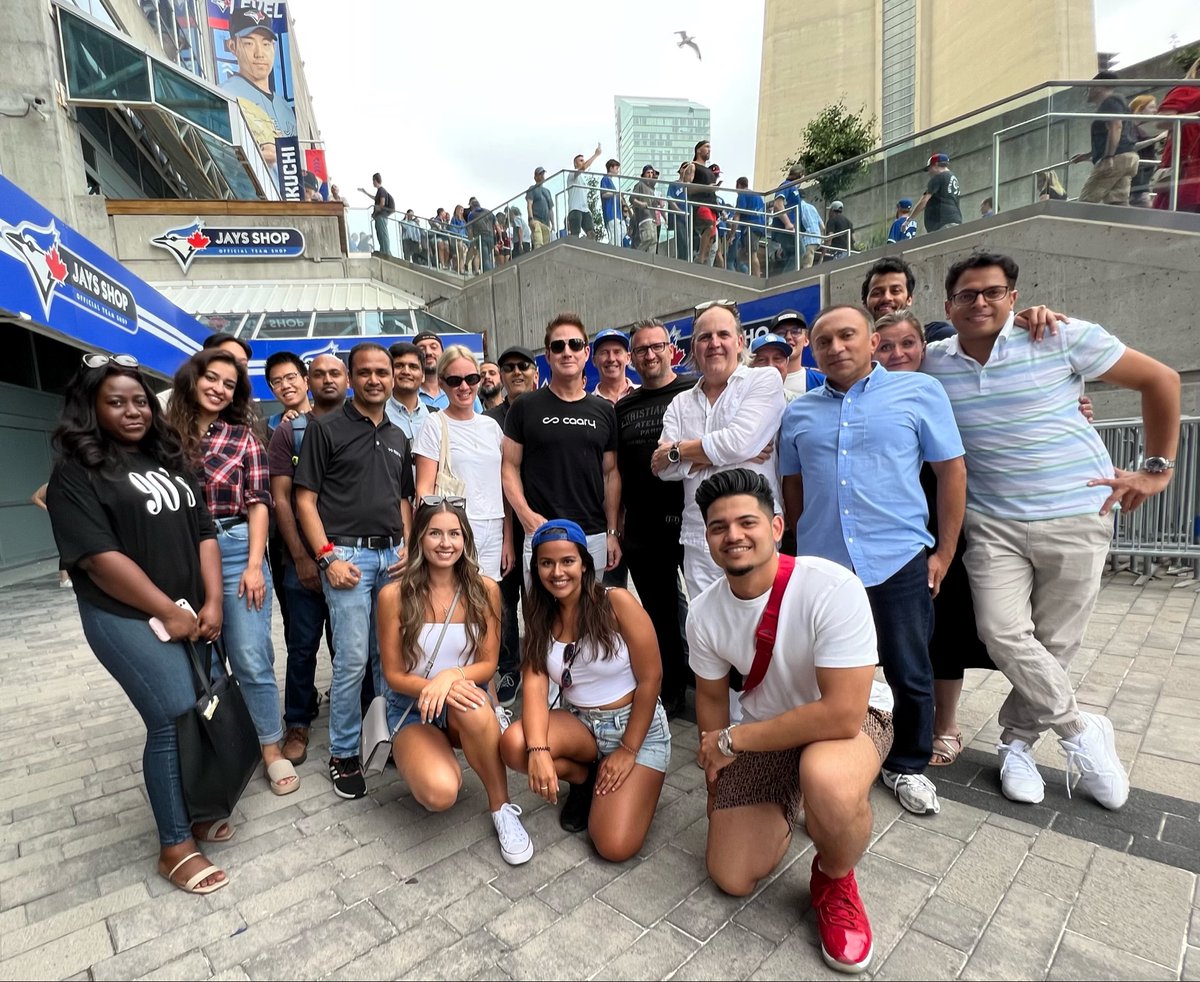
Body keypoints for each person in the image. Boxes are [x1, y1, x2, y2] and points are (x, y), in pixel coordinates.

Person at [924, 252, 1180, 809]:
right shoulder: (933, 361)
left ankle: (1016, 743)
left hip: (1075, 515)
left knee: (1056, 643)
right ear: (949, 305)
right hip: (993, 522)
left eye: (993, 292)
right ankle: (1080, 729)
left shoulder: (1058, 336)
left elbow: (1159, 379)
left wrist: (1157, 469)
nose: (980, 303)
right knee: (1001, 632)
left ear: (1013, 298)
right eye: (967, 295)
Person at [688, 469, 891, 974]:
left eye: (747, 522)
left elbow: (842, 713)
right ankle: (794, 799)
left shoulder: (830, 586)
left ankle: (835, 877)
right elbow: (711, 699)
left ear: (777, 527)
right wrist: (715, 775)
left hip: (851, 722)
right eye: (718, 527)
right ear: (707, 539)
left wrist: (734, 740)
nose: (733, 535)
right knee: (731, 875)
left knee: (826, 777)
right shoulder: (704, 612)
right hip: (768, 731)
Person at [46, 353, 232, 895]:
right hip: (123, 615)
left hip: (191, 611)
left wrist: (213, 601)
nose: (133, 411)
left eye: (140, 402)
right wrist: (167, 611)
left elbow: (204, 531)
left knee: (201, 708)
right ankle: (174, 846)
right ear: (90, 408)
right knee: (171, 715)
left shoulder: (168, 459)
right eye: (116, 402)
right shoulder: (75, 474)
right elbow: (98, 558)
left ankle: (199, 807)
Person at [780, 304, 967, 817]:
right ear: (813, 351)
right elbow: (792, 486)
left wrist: (944, 551)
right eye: (824, 341)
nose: (836, 347)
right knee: (818, 669)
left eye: (847, 336)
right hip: (823, 565)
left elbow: (951, 472)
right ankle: (818, 761)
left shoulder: (919, 392)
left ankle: (906, 763)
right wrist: (801, 541)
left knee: (909, 668)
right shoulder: (798, 412)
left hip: (897, 557)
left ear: (872, 342)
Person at [500, 519, 670, 859]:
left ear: (584, 564)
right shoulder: (539, 616)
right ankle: (584, 777)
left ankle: (622, 781)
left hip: (635, 728)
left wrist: (627, 751)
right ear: (536, 568)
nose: (557, 572)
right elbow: (535, 691)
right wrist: (539, 751)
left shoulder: (615, 602)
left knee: (613, 846)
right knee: (515, 745)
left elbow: (652, 678)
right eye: (546, 563)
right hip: (581, 724)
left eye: (567, 561)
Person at [168, 349, 296, 796]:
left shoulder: (243, 438)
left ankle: (270, 747)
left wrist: (255, 565)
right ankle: (220, 747)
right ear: (192, 379)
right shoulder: (162, 438)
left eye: (229, 384)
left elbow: (259, 503)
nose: (219, 389)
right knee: (202, 660)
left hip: (236, 546)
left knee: (249, 655)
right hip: (181, 553)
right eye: (212, 378)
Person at [377, 498, 532, 864]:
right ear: (419, 538)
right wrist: (433, 689)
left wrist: (449, 677)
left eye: (454, 534)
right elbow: (393, 675)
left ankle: (502, 807)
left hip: (464, 698)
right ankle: (432, 753)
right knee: (441, 793)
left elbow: (489, 664)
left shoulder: (485, 589)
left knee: (476, 706)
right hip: (413, 708)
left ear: (466, 539)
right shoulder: (393, 595)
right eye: (435, 533)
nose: (445, 543)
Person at [873, 313, 995, 766]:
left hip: (942, 513)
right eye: (886, 346)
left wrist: (945, 549)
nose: (897, 353)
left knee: (943, 630)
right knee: (896, 638)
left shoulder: (939, 370)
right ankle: (893, 722)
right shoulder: (862, 389)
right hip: (892, 521)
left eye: (908, 343)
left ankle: (943, 726)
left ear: (924, 345)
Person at [294, 342, 415, 800]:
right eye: (365, 372)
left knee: (390, 656)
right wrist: (327, 557)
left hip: (392, 559)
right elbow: (304, 500)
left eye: (383, 372)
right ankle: (343, 752)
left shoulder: (399, 435)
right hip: (348, 558)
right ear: (351, 377)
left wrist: (407, 544)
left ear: (393, 377)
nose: (375, 379)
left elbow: (403, 498)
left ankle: (387, 735)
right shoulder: (325, 429)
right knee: (352, 659)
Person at [653, 299, 785, 600]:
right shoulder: (680, 403)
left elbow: (739, 441)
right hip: (699, 536)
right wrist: (733, 452)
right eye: (705, 337)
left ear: (739, 342)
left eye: (723, 334)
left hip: (754, 530)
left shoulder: (763, 380)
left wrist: (679, 450)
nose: (714, 343)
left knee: (761, 619)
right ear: (694, 348)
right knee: (707, 622)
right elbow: (663, 469)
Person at [268, 354, 348, 766]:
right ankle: (297, 722)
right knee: (302, 647)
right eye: (320, 374)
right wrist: (300, 556)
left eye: (335, 373)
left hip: (350, 559)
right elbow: (282, 499)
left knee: (349, 647)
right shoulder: (290, 432)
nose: (327, 380)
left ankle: (356, 717)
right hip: (303, 561)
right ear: (309, 381)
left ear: (346, 379)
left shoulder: (361, 425)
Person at [502, 313, 621, 584]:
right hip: (542, 531)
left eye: (575, 344)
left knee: (590, 611)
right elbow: (509, 467)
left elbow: (611, 474)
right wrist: (526, 516)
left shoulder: (604, 410)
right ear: (547, 355)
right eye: (558, 346)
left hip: (592, 534)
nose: (567, 352)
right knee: (540, 611)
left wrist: (612, 532)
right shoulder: (524, 407)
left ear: (586, 353)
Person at [616, 321, 697, 718]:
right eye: (641, 350)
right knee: (660, 615)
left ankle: (713, 682)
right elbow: (615, 471)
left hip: (695, 522)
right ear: (631, 358)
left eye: (656, 346)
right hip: (644, 527)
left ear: (670, 349)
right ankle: (673, 688)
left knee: (708, 607)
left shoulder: (693, 390)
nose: (649, 355)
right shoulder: (623, 407)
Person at [413, 347, 508, 582]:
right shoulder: (434, 424)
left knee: (488, 594)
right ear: (442, 383)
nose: (464, 387)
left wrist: (509, 539)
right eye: (455, 381)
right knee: (454, 592)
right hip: (453, 528)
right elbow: (423, 489)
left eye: (471, 378)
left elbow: (504, 485)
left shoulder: (492, 427)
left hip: (494, 527)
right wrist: (432, 537)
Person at [486, 346, 539, 709]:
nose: (516, 372)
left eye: (523, 365)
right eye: (508, 367)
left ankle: (540, 665)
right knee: (504, 603)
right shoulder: (489, 420)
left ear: (535, 372)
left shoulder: (546, 408)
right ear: (501, 376)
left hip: (541, 523)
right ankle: (508, 667)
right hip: (505, 527)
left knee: (541, 603)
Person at [219, 8, 296, 169]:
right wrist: (254, 155)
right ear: (232, 46)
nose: (259, 53)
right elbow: (217, 154)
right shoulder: (225, 95)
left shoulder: (286, 108)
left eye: (266, 44)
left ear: (274, 48)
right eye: (249, 43)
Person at [1072, 72, 1140, 206]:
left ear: (1098, 87)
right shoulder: (1117, 102)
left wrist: (1109, 157)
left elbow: (1116, 126)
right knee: (1117, 201)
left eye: (1089, 87)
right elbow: (1113, 133)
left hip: (1116, 158)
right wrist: (1088, 155)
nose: (1087, 91)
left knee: (1086, 201)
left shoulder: (1110, 101)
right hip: (1126, 156)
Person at [1152, 58, 1200, 213]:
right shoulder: (1187, 89)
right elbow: (1162, 122)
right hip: (1187, 159)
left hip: (1191, 161)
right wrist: (1196, 115)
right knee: (1181, 210)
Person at [767, 310, 825, 398]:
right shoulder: (759, 382)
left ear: (806, 339)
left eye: (795, 331)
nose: (788, 337)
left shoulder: (822, 382)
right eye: (781, 333)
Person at [384, 341, 431, 441]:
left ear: (423, 376)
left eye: (413, 367)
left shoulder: (434, 415)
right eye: (399, 366)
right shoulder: (378, 415)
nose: (406, 372)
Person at [686, 141, 721, 265]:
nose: (709, 149)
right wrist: (706, 188)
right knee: (708, 227)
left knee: (712, 236)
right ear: (698, 150)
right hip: (700, 204)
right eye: (706, 147)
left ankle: (703, 260)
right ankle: (700, 258)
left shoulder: (709, 171)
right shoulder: (692, 166)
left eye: (710, 147)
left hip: (712, 206)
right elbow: (688, 188)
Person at [31, 483, 71, 588]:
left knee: (74, 546)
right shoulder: (51, 485)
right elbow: (35, 498)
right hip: (61, 519)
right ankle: (64, 579)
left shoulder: (71, 483)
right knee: (66, 547)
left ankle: (70, 576)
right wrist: (49, 509)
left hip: (73, 518)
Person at [909, 153, 962, 232]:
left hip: (941, 222)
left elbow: (924, 201)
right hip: (955, 219)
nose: (929, 172)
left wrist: (909, 219)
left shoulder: (938, 177)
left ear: (936, 165)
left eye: (929, 168)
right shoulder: (952, 177)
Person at [265, 352, 311, 434]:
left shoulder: (326, 419)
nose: (285, 386)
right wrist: (282, 432)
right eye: (277, 382)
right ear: (272, 390)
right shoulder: (264, 428)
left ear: (306, 381)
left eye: (290, 378)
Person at [590, 329, 637, 404]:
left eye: (617, 352)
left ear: (628, 358)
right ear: (594, 360)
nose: (611, 359)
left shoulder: (645, 396)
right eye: (604, 352)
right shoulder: (589, 405)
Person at [567, 145, 603, 236]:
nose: (583, 162)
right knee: (575, 234)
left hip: (585, 209)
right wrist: (596, 155)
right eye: (581, 161)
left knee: (591, 233)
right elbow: (583, 168)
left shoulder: (582, 179)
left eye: (583, 160)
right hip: (575, 208)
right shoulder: (572, 174)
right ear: (575, 164)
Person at [733, 176, 766, 275]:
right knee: (741, 254)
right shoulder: (757, 195)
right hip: (759, 227)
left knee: (752, 254)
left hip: (751, 227)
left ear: (739, 185)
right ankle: (744, 275)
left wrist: (732, 234)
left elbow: (737, 215)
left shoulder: (742, 194)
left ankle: (757, 278)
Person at [631, 165, 662, 253]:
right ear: (643, 174)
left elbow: (654, 205)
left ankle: (650, 259)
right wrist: (641, 204)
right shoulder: (640, 184)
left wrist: (658, 202)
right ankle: (636, 255)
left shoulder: (651, 189)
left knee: (654, 241)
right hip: (644, 217)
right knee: (648, 238)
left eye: (651, 173)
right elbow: (632, 199)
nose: (650, 175)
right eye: (648, 173)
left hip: (652, 218)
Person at [600, 159, 628, 247]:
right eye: (616, 168)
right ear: (611, 168)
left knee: (623, 231)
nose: (617, 170)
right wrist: (616, 193)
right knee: (615, 235)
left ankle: (613, 248)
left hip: (618, 213)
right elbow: (604, 194)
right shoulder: (605, 179)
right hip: (611, 213)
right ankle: (614, 250)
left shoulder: (611, 182)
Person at [526, 166, 555, 249]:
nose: (542, 176)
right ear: (535, 177)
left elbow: (550, 209)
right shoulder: (532, 189)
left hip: (546, 223)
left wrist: (553, 224)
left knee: (546, 246)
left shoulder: (547, 191)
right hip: (536, 220)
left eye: (543, 174)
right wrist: (531, 219)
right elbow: (529, 204)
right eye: (540, 174)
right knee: (538, 243)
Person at [667, 164, 692, 261]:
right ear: (680, 170)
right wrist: (680, 212)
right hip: (679, 219)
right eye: (685, 167)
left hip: (691, 218)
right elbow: (670, 199)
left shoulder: (692, 185)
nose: (687, 169)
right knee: (683, 244)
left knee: (692, 244)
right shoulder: (674, 184)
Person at [370, 173, 395, 257]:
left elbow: (382, 203)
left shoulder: (381, 190)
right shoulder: (380, 191)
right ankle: (383, 250)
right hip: (380, 216)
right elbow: (375, 198)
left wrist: (376, 210)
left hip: (381, 216)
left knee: (383, 234)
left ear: (375, 180)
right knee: (380, 233)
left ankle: (386, 252)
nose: (372, 183)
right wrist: (365, 192)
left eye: (373, 181)